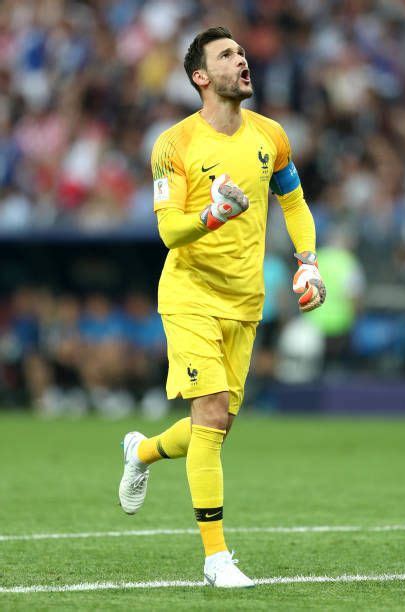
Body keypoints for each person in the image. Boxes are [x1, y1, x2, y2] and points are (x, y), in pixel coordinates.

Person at [118, 26, 326, 588]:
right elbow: (169, 231)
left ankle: (143, 451)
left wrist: (307, 261)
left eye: (242, 52)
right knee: (210, 415)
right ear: (201, 77)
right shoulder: (173, 144)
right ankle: (216, 559)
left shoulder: (272, 136)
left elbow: (295, 201)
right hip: (189, 295)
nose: (242, 60)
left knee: (213, 426)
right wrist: (212, 214)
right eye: (227, 55)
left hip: (245, 300)